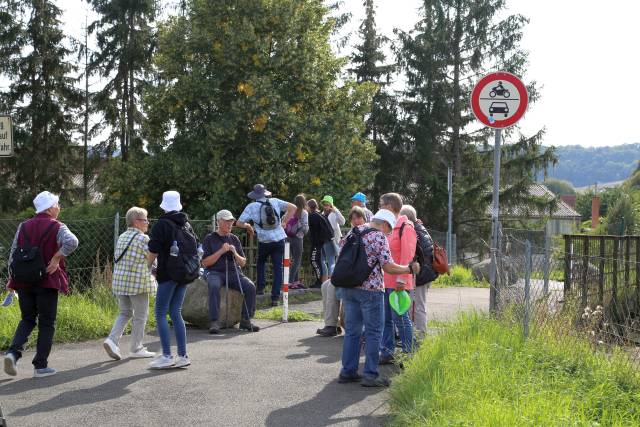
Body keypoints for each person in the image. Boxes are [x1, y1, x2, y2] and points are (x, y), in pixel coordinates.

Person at [337, 209, 420, 387]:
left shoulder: (354, 231)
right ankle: (370, 375)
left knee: (352, 331)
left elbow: (340, 251)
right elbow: (388, 266)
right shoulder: (378, 236)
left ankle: (348, 371)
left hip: (349, 288)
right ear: (384, 224)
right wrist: (409, 269)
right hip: (371, 290)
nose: (388, 233)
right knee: (374, 332)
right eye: (389, 229)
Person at [3, 191, 79, 378]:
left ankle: (13, 354)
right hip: (47, 280)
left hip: (23, 280)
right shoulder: (57, 226)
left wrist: (12, 279)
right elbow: (73, 242)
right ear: (51, 207)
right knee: (46, 322)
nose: (59, 208)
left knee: (27, 319)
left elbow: (13, 254)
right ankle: (40, 366)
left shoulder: (23, 226)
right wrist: (56, 258)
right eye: (58, 205)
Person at [147, 191, 196, 369]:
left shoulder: (162, 224)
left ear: (163, 205)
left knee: (160, 312)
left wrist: (147, 267)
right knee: (176, 311)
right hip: (184, 273)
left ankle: (167, 355)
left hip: (168, 273)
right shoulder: (186, 224)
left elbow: (153, 249)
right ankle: (182, 355)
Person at [103, 207, 157, 361]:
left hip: (120, 283)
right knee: (140, 316)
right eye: (145, 220)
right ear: (136, 222)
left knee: (125, 312)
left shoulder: (122, 237)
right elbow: (151, 259)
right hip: (137, 284)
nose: (148, 223)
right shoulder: (143, 239)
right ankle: (136, 348)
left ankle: (112, 340)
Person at [236, 184, 296, 306]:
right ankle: (275, 298)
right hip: (279, 240)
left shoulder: (251, 206)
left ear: (255, 195)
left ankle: (260, 289)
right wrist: (284, 221)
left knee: (260, 262)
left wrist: (248, 226)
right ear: (265, 193)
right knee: (278, 268)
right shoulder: (274, 201)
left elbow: (239, 223)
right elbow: (293, 207)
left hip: (264, 241)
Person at [202, 209, 260, 334]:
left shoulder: (234, 239)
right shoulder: (209, 238)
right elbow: (205, 263)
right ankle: (214, 321)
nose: (230, 224)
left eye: (232, 221)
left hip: (234, 272)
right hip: (215, 272)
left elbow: (243, 263)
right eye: (227, 221)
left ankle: (245, 320)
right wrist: (221, 251)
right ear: (218, 222)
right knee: (214, 285)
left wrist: (235, 253)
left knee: (250, 287)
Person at [379, 193, 417, 364]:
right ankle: (387, 352)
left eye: (381, 204)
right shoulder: (387, 226)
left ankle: (409, 354)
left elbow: (407, 256)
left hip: (398, 283)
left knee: (400, 319)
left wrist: (401, 279)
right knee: (386, 319)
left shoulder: (406, 227)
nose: (379, 207)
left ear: (389, 206)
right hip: (385, 282)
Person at [317, 206, 367, 337]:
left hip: (356, 275)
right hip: (346, 272)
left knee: (332, 286)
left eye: (359, 218)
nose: (356, 221)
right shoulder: (351, 233)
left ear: (364, 219)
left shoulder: (366, 233)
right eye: (353, 218)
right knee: (325, 285)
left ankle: (331, 325)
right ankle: (332, 323)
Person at [399, 205, 436, 334]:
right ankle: (418, 332)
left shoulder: (412, 231)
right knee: (418, 305)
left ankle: (419, 334)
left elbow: (413, 255)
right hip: (427, 272)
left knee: (416, 306)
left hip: (420, 274)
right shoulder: (421, 229)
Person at [307, 199, 332, 288]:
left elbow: (313, 231)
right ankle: (319, 281)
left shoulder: (312, 216)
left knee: (314, 260)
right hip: (320, 242)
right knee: (317, 260)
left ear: (309, 207)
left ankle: (319, 281)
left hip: (316, 243)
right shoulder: (318, 215)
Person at [286, 194, 309, 289]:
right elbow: (305, 227)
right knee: (297, 260)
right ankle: (290, 281)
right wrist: (303, 233)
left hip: (288, 237)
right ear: (304, 202)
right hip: (298, 238)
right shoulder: (304, 213)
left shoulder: (290, 210)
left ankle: (295, 282)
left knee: (293, 260)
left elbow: (283, 220)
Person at [320, 195, 345, 279]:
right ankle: (331, 280)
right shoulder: (322, 214)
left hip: (336, 240)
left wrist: (336, 211)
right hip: (327, 240)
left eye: (327, 204)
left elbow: (343, 222)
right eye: (324, 204)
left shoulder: (334, 213)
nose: (325, 206)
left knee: (339, 260)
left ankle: (337, 279)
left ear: (331, 205)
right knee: (331, 261)